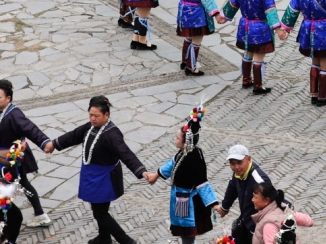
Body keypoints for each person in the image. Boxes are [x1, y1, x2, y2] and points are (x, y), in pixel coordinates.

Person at [53, 96, 156, 244]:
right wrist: (53, 144)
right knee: (99, 210)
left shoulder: (112, 134)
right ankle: (104, 238)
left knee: (100, 213)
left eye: (96, 116)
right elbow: (73, 136)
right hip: (92, 175)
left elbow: (125, 153)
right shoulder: (89, 127)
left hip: (105, 179)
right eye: (90, 115)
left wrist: (142, 171)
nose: (93, 119)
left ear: (106, 115)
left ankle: (126, 241)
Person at [218, 0, 282, 93]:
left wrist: (223, 17)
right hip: (260, 28)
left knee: (248, 53)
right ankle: (258, 85)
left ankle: (246, 79)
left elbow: (232, 5)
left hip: (245, 27)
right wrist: (278, 29)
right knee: (259, 56)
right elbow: (270, 12)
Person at [155, 106, 219, 244]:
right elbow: (173, 163)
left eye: (177, 138)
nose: (175, 139)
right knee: (185, 235)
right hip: (181, 200)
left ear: (186, 141)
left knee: (187, 234)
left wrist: (213, 204)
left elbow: (202, 183)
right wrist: (157, 174)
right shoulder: (183, 153)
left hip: (189, 202)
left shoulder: (194, 158)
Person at [0, 80, 52, 228]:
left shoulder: (14, 114)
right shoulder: (1, 111)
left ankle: (5, 223)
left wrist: (45, 142)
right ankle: (40, 214)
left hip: (12, 157)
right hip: (5, 157)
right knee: (22, 183)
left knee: (10, 186)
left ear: (8, 98)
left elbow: (30, 129)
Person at [214, 144, 272, 244]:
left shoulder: (259, 180)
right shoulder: (237, 174)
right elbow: (232, 189)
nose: (236, 167)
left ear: (248, 159)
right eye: (232, 163)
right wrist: (224, 208)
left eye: (240, 162)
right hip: (246, 222)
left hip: (258, 228)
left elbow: (272, 203)